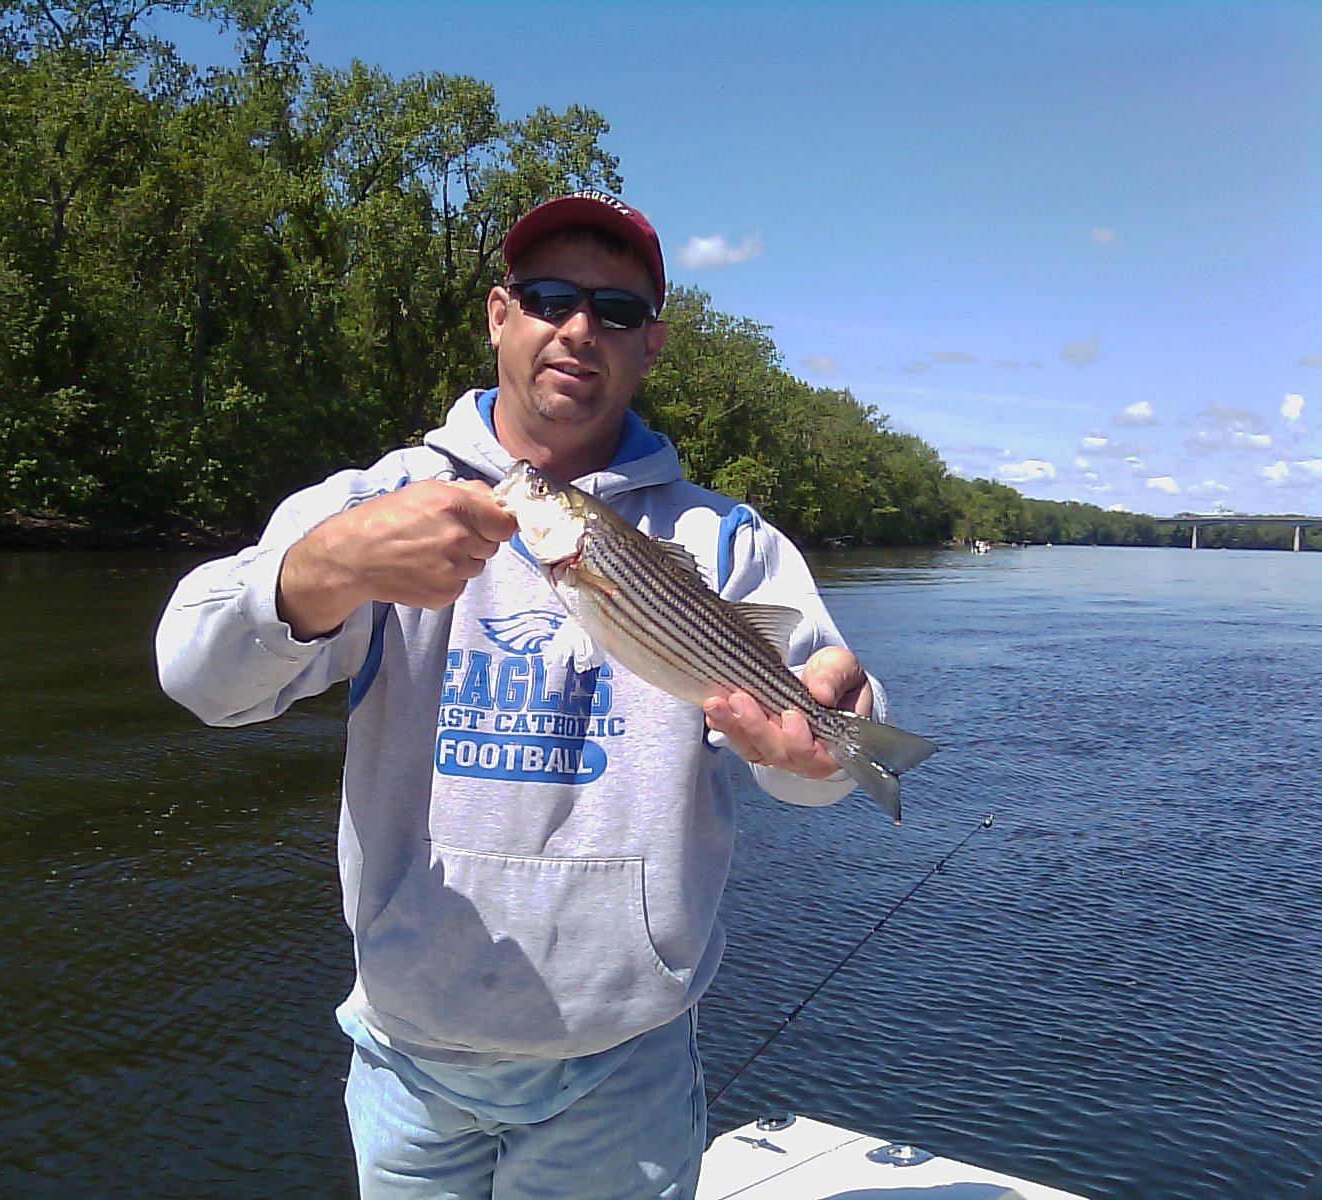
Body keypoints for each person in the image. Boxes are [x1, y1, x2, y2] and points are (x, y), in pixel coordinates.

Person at [155, 190, 892, 1199]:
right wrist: (319, 573)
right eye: (548, 298)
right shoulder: (382, 503)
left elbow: (818, 756)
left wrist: (822, 749)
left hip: (623, 1062)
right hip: (408, 1058)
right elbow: (196, 679)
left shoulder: (727, 543)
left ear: (651, 344)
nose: (578, 327)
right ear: (500, 317)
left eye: (616, 310)